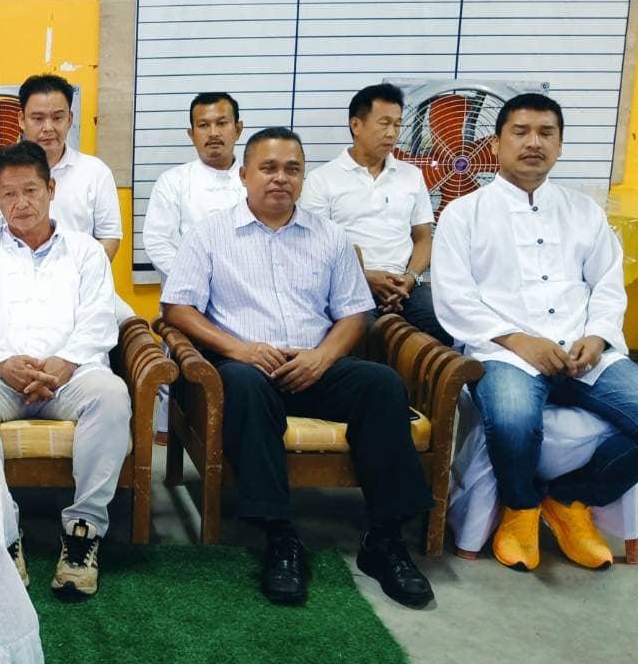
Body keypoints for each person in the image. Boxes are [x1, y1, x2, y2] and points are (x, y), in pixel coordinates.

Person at [160, 128, 435, 609]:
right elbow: (177, 308)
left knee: (381, 384)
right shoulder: (209, 234)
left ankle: (385, 539)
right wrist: (239, 349)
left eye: (292, 169)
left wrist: (323, 357)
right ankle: (280, 536)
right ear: (244, 175)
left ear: (303, 178)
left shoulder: (330, 237)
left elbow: (355, 314)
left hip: (315, 363)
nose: (280, 178)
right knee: (241, 384)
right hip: (248, 366)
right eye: (268, 168)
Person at [433, 93, 638, 572]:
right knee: (513, 420)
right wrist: (520, 342)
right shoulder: (463, 214)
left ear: (560, 145)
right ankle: (521, 508)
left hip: (584, 352)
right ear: (496, 143)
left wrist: (598, 336)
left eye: (546, 133)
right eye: (521, 132)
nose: (534, 143)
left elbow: (608, 285)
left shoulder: (584, 212)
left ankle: (571, 501)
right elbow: (454, 299)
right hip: (505, 353)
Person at [0, 141, 129, 600]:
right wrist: (4, 364)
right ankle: (3, 532)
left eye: (30, 190)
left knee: (111, 394)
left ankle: (83, 532)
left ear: (51, 189)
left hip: (71, 376)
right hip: (2, 379)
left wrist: (64, 364)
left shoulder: (86, 253)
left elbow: (98, 318)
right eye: (9, 194)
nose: (21, 203)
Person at [299, 83, 449, 344]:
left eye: (397, 125)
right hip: (348, 285)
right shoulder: (321, 180)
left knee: (442, 325)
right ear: (356, 125)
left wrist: (409, 280)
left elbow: (424, 238)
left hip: (404, 285)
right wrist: (366, 277)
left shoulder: (412, 176)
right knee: (360, 336)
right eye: (384, 123)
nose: (392, 133)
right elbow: (314, 246)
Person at [141, 90, 247, 443]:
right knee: (177, 357)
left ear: (238, 129)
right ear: (191, 133)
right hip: (190, 298)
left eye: (221, 123)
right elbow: (158, 241)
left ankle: (233, 432)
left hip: (249, 296)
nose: (213, 133)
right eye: (203, 125)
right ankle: (170, 428)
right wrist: (199, 283)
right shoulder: (174, 181)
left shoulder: (254, 179)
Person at [0, 74, 122, 259]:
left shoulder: (96, 172)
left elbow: (109, 237)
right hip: (12, 275)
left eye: (57, 118)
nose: (48, 128)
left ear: (69, 119)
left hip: (78, 275)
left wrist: (83, 272)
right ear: (21, 120)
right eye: (38, 119)